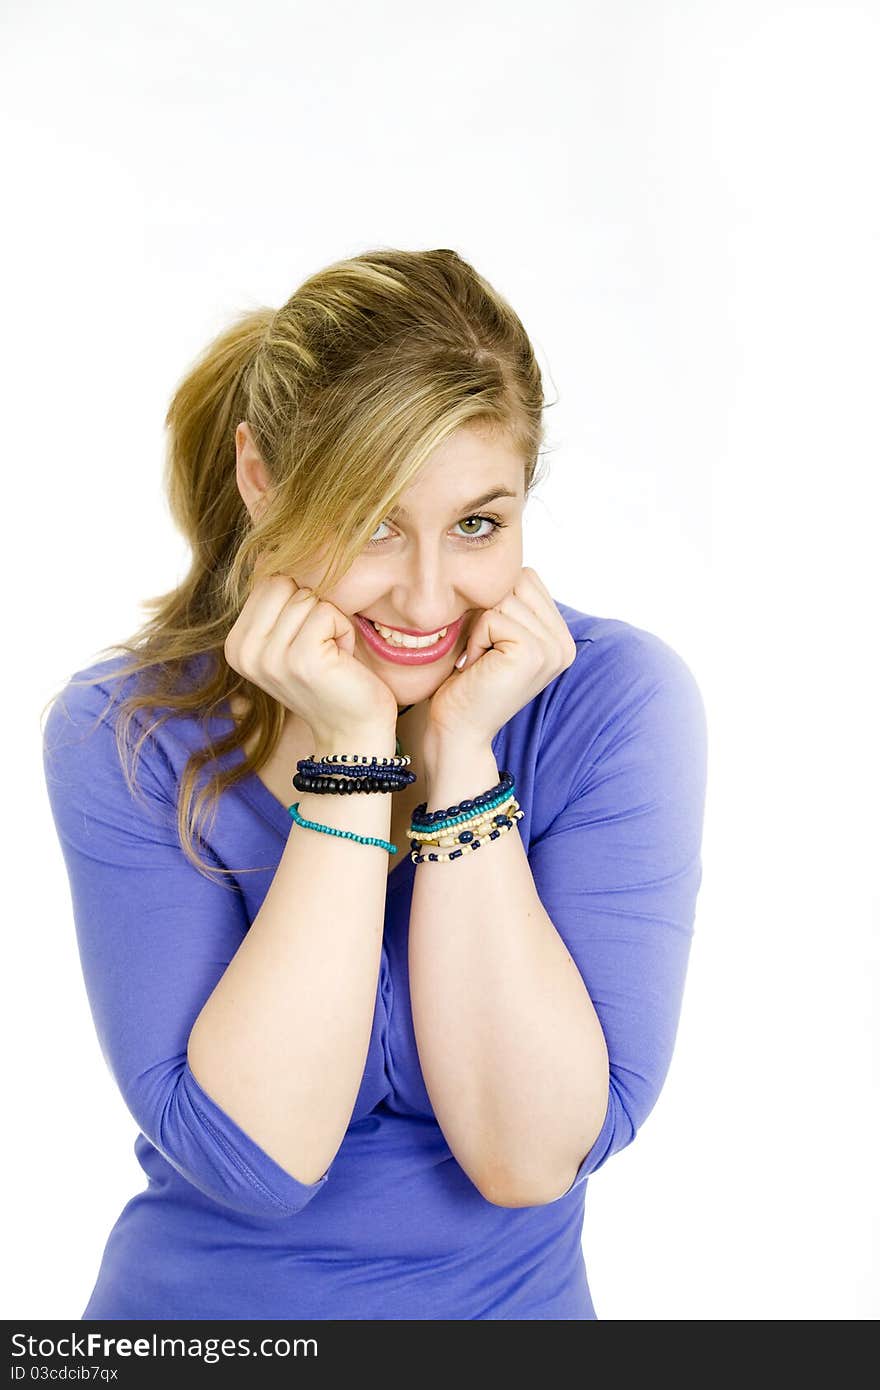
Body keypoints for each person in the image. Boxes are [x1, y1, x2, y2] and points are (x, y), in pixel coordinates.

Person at [41, 246, 708, 1320]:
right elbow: (256, 1159)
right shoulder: (128, 732)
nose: (426, 596)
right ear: (262, 480)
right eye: (372, 522)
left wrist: (461, 754)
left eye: (477, 524)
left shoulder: (613, 704)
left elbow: (531, 1154)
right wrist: (352, 759)